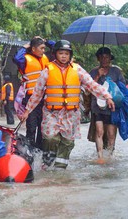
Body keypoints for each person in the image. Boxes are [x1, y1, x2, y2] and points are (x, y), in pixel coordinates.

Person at [21, 40, 115, 169]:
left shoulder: (78, 70)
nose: (64, 56)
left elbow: (92, 85)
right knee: (50, 139)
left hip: (71, 114)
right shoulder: (47, 70)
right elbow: (37, 93)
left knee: (67, 142)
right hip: (51, 113)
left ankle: (60, 173)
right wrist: (27, 111)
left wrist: (107, 97)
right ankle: (47, 162)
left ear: (70, 55)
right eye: (61, 53)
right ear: (55, 54)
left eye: (66, 53)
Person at [13, 36, 54, 150]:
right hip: (30, 99)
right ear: (34, 49)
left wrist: (46, 41)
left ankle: (39, 152)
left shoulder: (46, 58)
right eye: (41, 48)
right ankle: (29, 152)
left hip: (45, 99)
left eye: (44, 48)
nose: (43, 50)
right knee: (31, 128)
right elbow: (16, 58)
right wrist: (25, 46)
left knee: (43, 129)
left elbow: (57, 48)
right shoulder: (25, 59)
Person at [88, 47, 126, 161]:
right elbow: (88, 88)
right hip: (97, 106)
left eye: (107, 57)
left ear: (110, 58)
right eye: (102, 57)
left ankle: (110, 156)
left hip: (112, 106)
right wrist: (98, 76)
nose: (105, 59)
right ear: (98, 58)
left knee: (111, 133)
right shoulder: (94, 71)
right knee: (99, 131)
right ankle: (100, 157)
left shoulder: (116, 71)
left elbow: (122, 87)